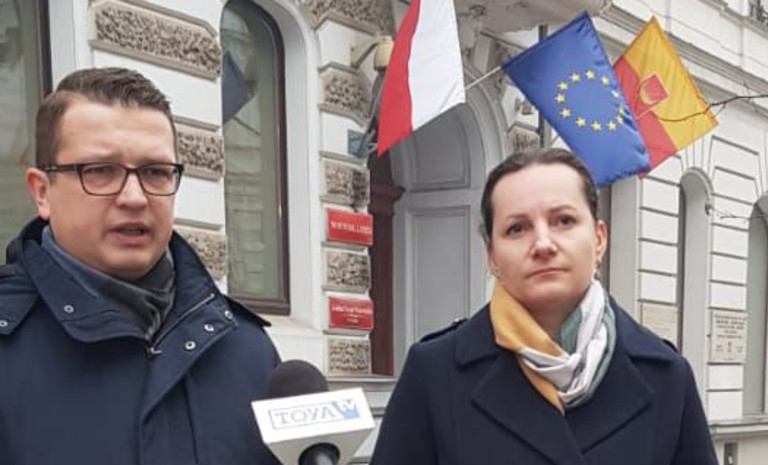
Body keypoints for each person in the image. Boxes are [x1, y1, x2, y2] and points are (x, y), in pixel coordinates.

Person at [0, 67, 281, 465]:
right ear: (42, 192)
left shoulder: (246, 350)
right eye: (100, 171)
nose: (134, 197)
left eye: (155, 172)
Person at [370, 148, 717, 465]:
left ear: (599, 238)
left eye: (563, 221)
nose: (543, 244)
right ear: (492, 256)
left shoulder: (665, 377)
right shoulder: (435, 374)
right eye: (516, 229)